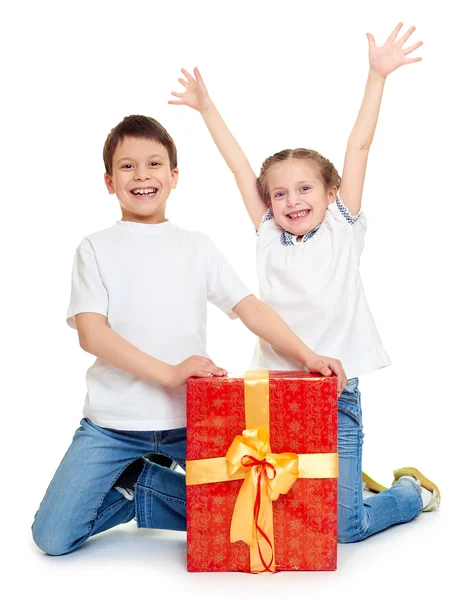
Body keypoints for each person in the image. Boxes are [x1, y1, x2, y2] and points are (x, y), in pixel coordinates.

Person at [169, 21, 440, 543]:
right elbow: (238, 167)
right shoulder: (269, 236)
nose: (292, 201)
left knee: (343, 528)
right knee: (275, 502)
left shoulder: (343, 225)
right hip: (274, 391)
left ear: (330, 189)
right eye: (279, 194)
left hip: (335, 392)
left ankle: (407, 492)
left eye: (304, 189)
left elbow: (358, 147)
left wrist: (377, 76)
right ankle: (343, 479)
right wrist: (206, 108)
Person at [31, 115, 346, 556]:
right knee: (52, 537)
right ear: (108, 181)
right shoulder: (94, 248)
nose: (142, 175)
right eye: (127, 166)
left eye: (154, 164)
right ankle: (142, 486)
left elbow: (250, 309)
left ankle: (143, 486)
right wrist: (168, 372)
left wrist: (307, 354)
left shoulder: (196, 246)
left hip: (192, 420)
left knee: (269, 508)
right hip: (113, 427)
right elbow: (91, 334)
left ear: (174, 176)